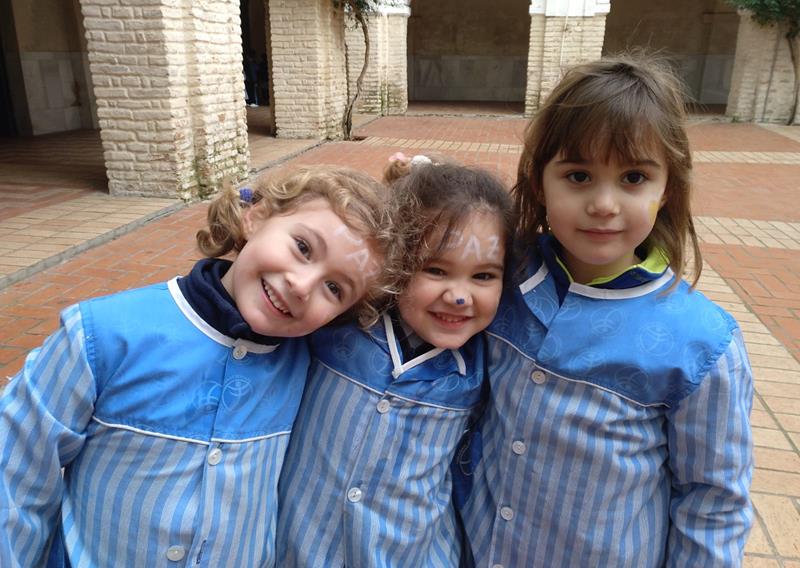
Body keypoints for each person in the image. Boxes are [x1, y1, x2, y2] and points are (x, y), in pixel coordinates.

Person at [0, 165, 386, 567]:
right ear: (255, 217)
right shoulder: (100, 336)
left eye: (334, 288)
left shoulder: (309, 365)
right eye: (303, 247)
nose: (302, 286)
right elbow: (15, 475)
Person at [460, 56, 754, 567]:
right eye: (578, 175)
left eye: (633, 177)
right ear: (539, 182)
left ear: (667, 189)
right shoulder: (499, 277)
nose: (603, 204)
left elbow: (714, 503)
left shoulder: (702, 345)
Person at [276, 155, 513, 567]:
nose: (460, 296)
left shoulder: (485, 369)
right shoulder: (339, 326)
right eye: (435, 270)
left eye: (483, 276)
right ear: (397, 261)